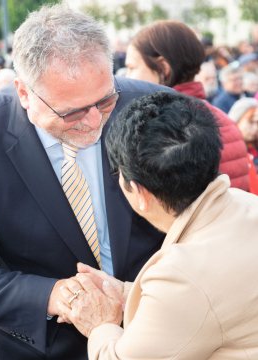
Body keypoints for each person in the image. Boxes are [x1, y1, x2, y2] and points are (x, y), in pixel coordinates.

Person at [0, 4, 173, 360]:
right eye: (70, 111)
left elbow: (201, 231)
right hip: (40, 348)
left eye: (104, 100)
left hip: (157, 337)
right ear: (24, 93)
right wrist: (58, 296)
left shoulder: (158, 111)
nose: (92, 122)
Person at [58, 91, 258, 360]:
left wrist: (100, 323)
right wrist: (128, 292)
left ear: (140, 193)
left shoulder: (184, 273)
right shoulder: (244, 203)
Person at [125, 20, 249, 191]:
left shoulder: (161, 129)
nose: (127, 77)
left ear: (163, 68)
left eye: (132, 67)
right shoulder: (223, 119)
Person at [229, 98, 258, 172]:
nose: (255, 128)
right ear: (237, 120)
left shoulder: (254, 144)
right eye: (250, 122)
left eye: (257, 123)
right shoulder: (228, 149)